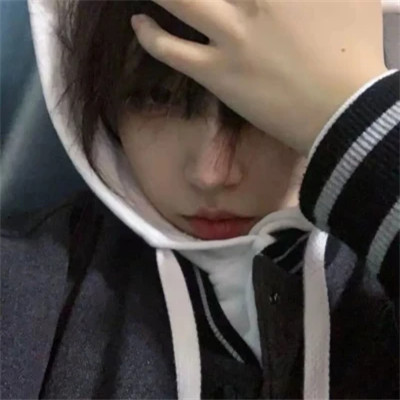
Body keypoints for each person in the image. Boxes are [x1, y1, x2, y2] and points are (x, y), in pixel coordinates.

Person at [2, 0, 398, 398]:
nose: (211, 174)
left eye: (258, 101)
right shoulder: (22, 284)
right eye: (156, 96)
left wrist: (361, 123)